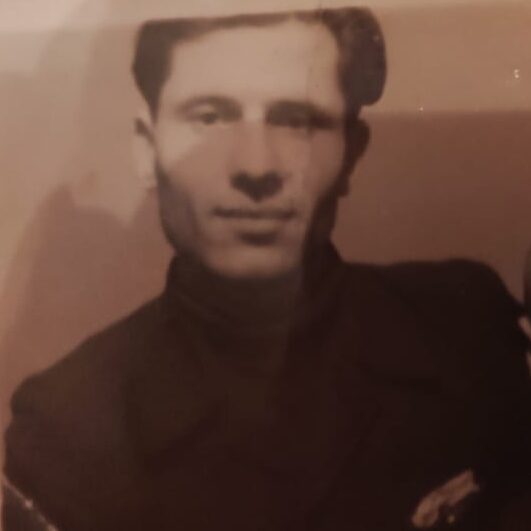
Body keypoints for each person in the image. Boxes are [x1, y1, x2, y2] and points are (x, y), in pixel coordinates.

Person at [3, 7, 530, 531]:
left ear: (351, 155)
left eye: (296, 120)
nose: (255, 167)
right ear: (147, 149)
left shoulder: (465, 324)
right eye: (210, 117)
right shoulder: (66, 432)